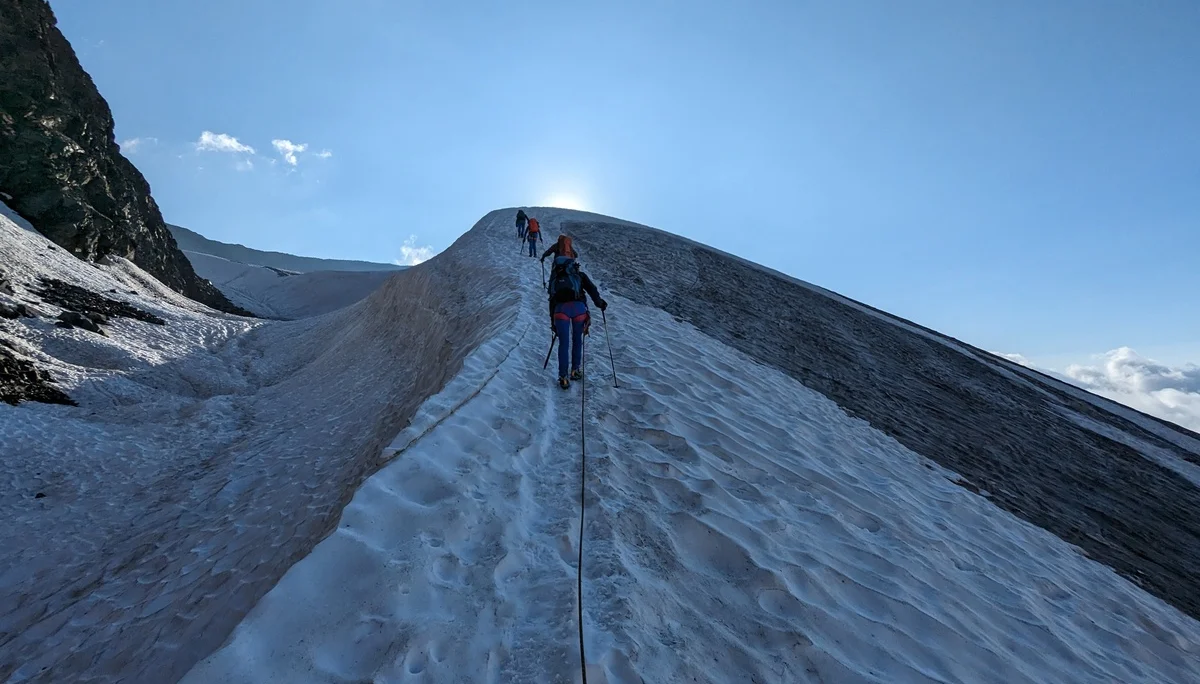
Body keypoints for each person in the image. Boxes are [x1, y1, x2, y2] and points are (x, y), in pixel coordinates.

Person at [546, 255, 606, 389]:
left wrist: (553, 322)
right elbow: (592, 291)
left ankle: (563, 377)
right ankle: (575, 370)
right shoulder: (579, 275)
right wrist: (600, 304)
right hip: (579, 309)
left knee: (564, 343)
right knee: (577, 340)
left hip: (560, 310)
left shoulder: (554, 278)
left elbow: (552, 300)